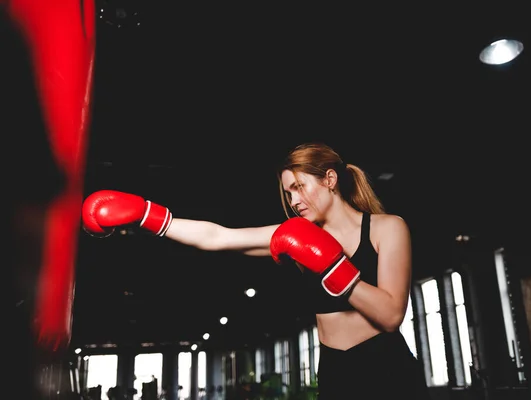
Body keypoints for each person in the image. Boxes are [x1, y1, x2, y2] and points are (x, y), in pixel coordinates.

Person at [81, 142, 431, 399]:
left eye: (299, 187)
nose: (294, 201)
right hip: (335, 372)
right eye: (288, 192)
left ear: (329, 179)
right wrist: (147, 214)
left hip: (386, 367)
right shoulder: (297, 234)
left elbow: (390, 315)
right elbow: (217, 236)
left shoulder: (387, 228)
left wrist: (331, 265)